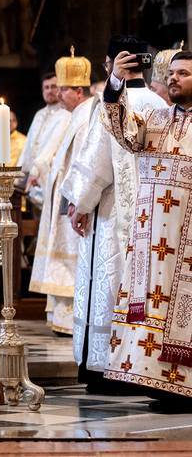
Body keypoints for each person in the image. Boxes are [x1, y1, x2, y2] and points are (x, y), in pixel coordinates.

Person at [60, 36, 166, 394]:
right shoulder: (160, 103)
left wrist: (79, 204)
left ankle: (105, 367)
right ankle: (137, 364)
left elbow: (96, 161)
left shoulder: (110, 103)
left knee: (109, 282)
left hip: (111, 211)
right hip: (150, 213)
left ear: (111, 65)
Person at [100, 49, 192, 410]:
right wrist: (115, 81)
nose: (173, 78)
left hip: (187, 238)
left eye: (183, 73)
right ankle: (159, 383)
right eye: (172, 73)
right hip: (152, 237)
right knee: (151, 305)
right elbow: (121, 129)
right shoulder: (155, 117)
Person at [29, 48, 95, 336]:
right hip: (64, 201)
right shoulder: (75, 115)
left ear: (79, 91)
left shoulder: (85, 118)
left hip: (73, 205)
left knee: (70, 260)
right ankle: (62, 319)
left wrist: (76, 201)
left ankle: (71, 322)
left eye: (64, 89)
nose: (58, 94)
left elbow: (82, 164)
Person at [22, 72, 71, 201]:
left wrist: (36, 170)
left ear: (60, 89)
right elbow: (28, 146)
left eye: (54, 86)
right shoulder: (39, 114)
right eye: (46, 87)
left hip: (50, 175)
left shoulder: (65, 114)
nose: (50, 91)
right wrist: (19, 177)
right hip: (33, 179)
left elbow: (53, 144)